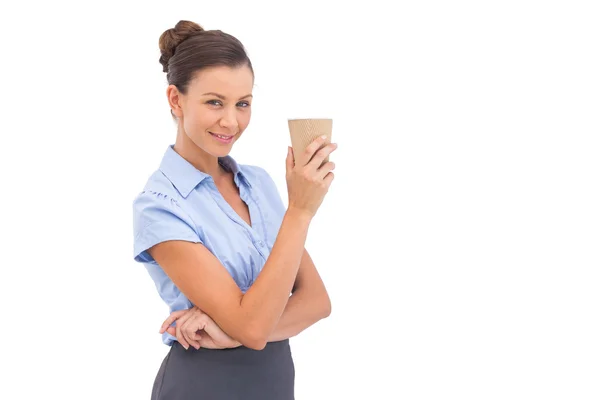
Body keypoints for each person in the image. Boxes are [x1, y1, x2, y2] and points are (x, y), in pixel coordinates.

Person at [132, 20, 337, 399]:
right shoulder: (160, 207)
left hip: (272, 383)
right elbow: (254, 327)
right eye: (214, 102)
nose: (232, 121)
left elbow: (316, 302)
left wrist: (230, 335)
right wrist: (300, 212)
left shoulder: (258, 184)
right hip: (202, 385)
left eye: (242, 104)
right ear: (176, 100)